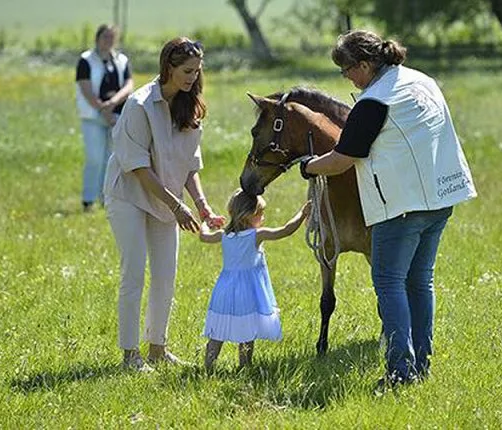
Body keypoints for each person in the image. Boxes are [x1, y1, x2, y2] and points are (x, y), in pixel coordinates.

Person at [299, 30, 477, 390]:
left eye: (347, 69)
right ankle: (420, 366)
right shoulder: (420, 80)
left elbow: (342, 159)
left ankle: (399, 372)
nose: (346, 77)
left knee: (389, 282)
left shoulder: (374, 101)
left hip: (401, 205)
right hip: (441, 198)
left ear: (365, 64)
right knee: (419, 281)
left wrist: (308, 166)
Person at [103, 37, 225, 371]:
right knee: (135, 272)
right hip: (129, 194)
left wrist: (202, 206)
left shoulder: (190, 106)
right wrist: (177, 207)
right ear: (168, 67)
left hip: (165, 198)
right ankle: (130, 355)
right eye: (186, 71)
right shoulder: (140, 105)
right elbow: (139, 168)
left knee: (166, 275)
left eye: (196, 72)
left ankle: (158, 348)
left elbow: (189, 166)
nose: (191, 78)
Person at [200, 189, 311, 371]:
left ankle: (208, 367)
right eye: (260, 213)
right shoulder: (256, 235)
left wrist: (206, 222)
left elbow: (203, 237)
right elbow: (285, 231)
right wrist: (302, 213)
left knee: (218, 330)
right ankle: (245, 366)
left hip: (224, 288)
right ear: (248, 216)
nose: (263, 217)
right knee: (247, 329)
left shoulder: (223, 235)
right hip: (247, 290)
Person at [75, 24, 134, 212]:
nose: (108, 41)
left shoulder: (121, 60)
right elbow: (85, 87)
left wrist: (113, 104)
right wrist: (102, 108)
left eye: (111, 37)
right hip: (93, 116)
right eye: (105, 37)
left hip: (116, 115)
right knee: (94, 158)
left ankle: (106, 197)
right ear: (97, 38)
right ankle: (88, 199)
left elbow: (128, 85)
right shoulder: (86, 60)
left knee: (111, 159)